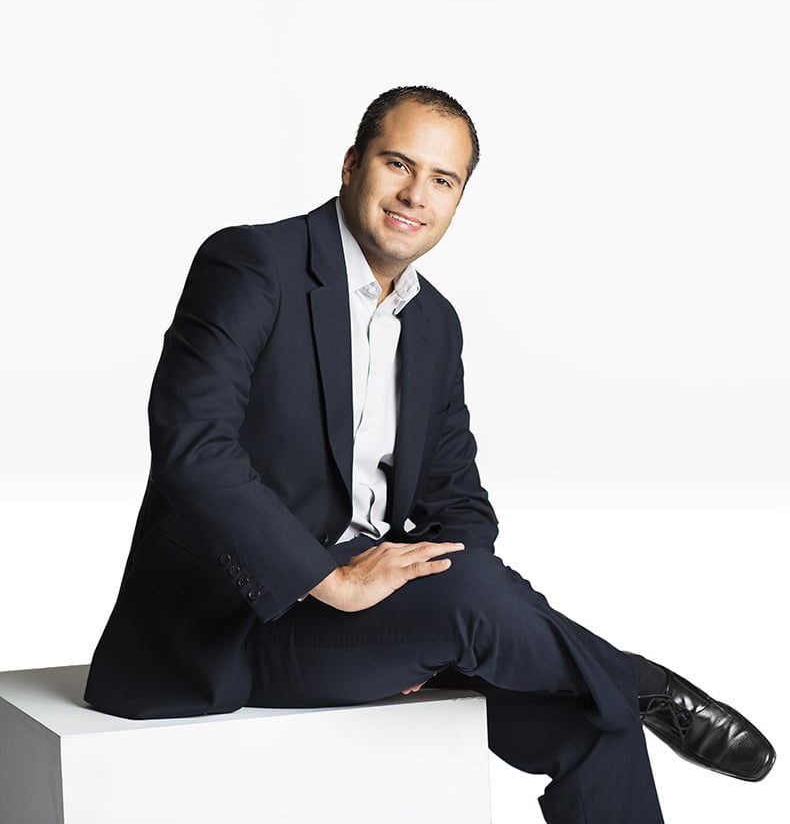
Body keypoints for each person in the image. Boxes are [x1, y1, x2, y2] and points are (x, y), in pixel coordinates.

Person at [85, 86, 775, 822]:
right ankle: (642, 684)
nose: (416, 194)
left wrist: (421, 620)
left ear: (458, 199)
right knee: (501, 618)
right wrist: (332, 580)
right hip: (236, 625)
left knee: (591, 719)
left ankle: (611, 688)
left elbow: (457, 500)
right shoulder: (255, 263)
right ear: (351, 164)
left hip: (369, 622)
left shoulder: (434, 322)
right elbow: (195, 447)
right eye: (398, 164)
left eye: (443, 180)